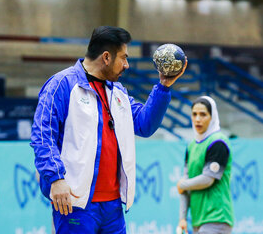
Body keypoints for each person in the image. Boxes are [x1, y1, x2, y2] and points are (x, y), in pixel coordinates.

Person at [31, 26, 187, 234]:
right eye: (123, 58)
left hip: (113, 207)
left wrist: (164, 86)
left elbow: (144, 124)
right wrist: (56, 179)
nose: (127, 65)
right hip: (76, 204)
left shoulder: (118, 92)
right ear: (106, 57)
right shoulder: (62, 85)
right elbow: (43, 135)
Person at [176, 96, 234, 234]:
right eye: (194, 114)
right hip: (198, 220)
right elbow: (186, 183)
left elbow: (208, 179)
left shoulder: (218, 142)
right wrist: (182, 218)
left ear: (212, 116)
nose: (197, 119)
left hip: (217, 217)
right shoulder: (191, 146)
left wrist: (181, 185)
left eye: (203, 114)